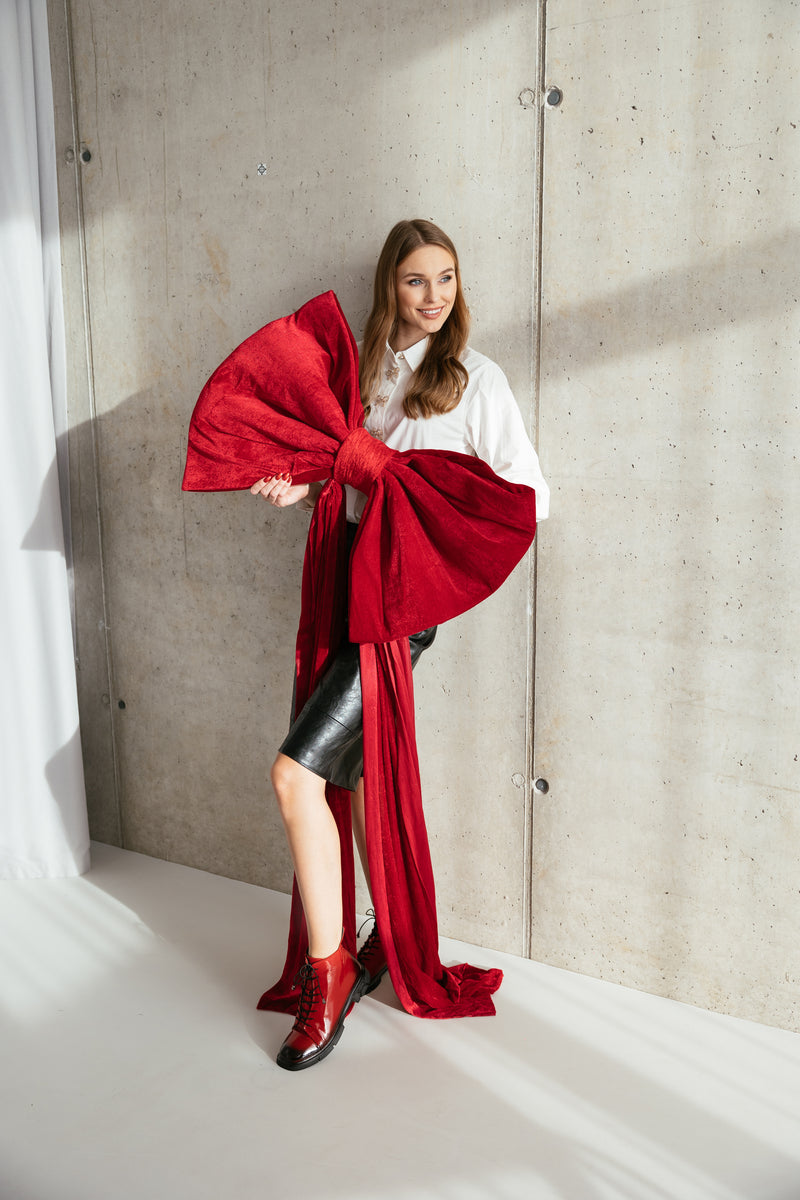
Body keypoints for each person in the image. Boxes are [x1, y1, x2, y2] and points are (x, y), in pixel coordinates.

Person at [248, 219, 549, 1071]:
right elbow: (345, 479)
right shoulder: (366, 373)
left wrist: (426, 515)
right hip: (343, 580)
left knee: (296, 774)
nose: (434, 296)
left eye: (446, 278)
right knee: (354, 776)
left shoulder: (474, 380)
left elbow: (528, 497)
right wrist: (302, 487)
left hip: (400, 600)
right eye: (417, 280)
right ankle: (384, 938)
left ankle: (332, 972)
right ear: (391, 285)